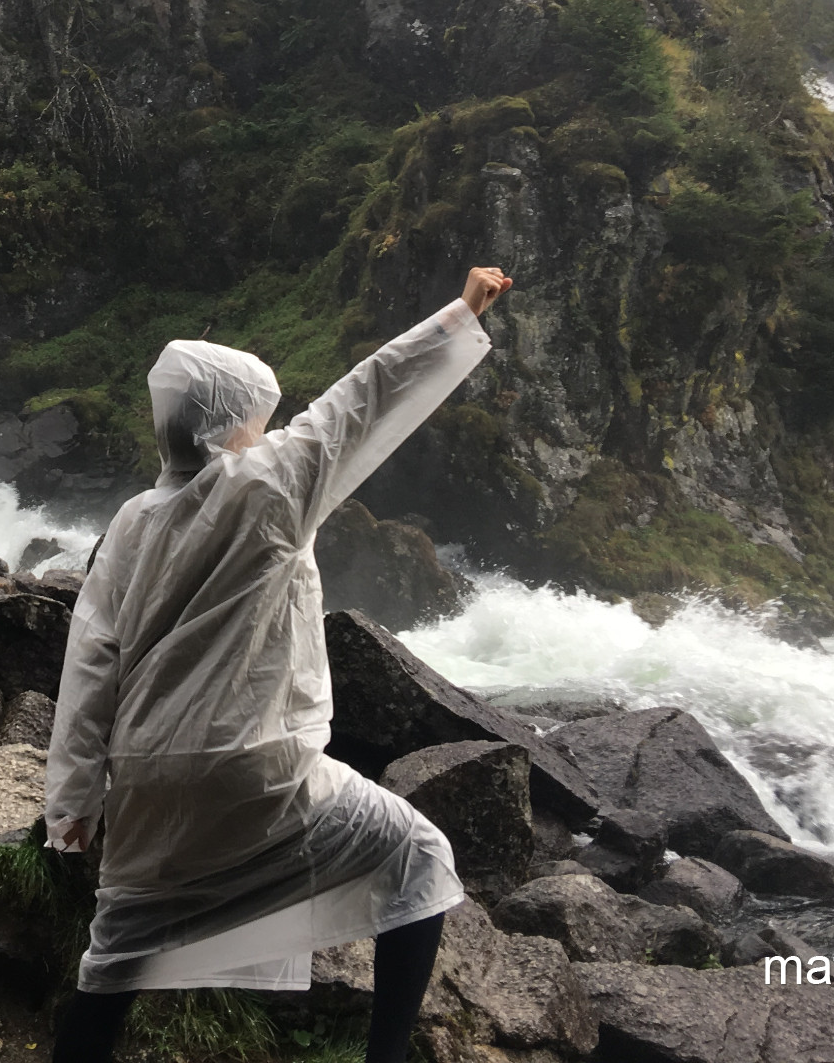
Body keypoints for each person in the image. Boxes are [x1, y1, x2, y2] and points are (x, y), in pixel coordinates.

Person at [44, 267, 512, 1063]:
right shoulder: (272, 485)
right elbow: (364, 396)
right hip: (254, 767)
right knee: (419, 857)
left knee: (113, 962)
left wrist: (74, 802)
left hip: (147, 776)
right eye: (261, 418)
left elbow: (91, 661)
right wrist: (459, 314)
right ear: (233, 424)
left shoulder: (131, 521)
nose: (268, 430)